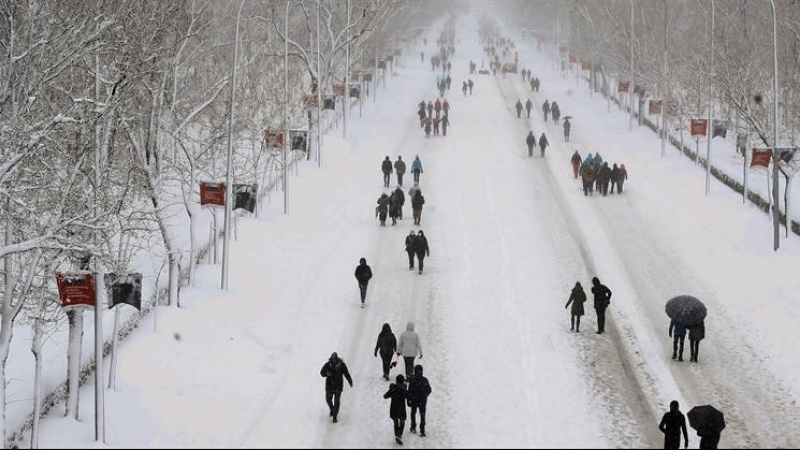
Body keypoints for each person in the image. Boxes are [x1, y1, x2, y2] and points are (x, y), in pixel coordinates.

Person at [320, 352, 353, 423]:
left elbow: (346, 374)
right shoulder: (328, 365)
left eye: (335, 360)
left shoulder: (342, 365)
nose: (334, 362)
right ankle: (332, 409)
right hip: (329, 386)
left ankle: (335, 416)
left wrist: (350, 381)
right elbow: (322, 373)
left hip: (338, 386)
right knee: (328, 399)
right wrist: (327, 374)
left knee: (337, 401)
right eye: (332, 360)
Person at [383, 375, 408, 445]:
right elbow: (409, 396)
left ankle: (397, 434)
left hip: (394, 408)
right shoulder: (404, 389)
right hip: (402, 409)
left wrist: (390, 389)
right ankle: (400, 434)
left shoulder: (393, 389)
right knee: (402, 421)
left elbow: (385, 396)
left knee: (396, 422)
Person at [408, 365, 432, 437]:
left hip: (414, 400)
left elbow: (409, 391)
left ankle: (413, 427)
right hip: (422, 401)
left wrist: (409, 399)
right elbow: (429, 390)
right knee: (422, 415)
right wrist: (424, 395)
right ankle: (422, 430)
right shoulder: (425, 380)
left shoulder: (412, 380)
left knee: (413, 414)